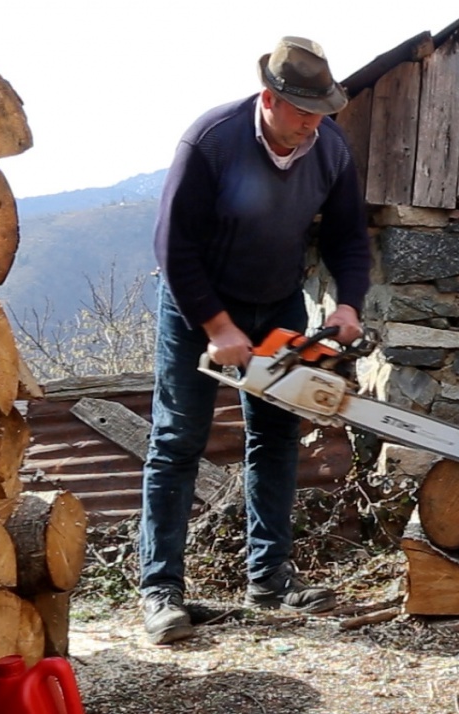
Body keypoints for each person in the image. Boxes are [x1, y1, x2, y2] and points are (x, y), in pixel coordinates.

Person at [139, 36, 372, 645]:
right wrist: (218, 328)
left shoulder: (330, 149)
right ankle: (160, 590)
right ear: (269, 98)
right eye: (301, 113)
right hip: (197, 306)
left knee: (274, 436)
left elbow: (349, 238)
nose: (312, 125)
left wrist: (348, 304)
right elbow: (173, 247)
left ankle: (270, 576)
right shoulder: (212, 141)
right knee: (177, 439)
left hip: (276, 303)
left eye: (321, 113)